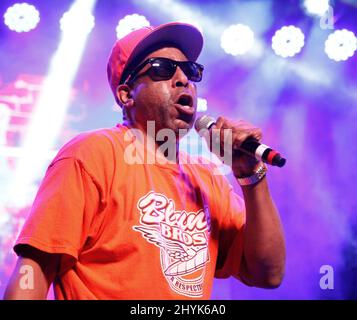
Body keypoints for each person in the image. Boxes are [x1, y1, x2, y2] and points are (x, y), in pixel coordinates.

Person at [4, 22, 285, 300]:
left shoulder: (208, 178)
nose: (183, 79)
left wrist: (251, 175)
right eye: (162, 69)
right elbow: (34, 271)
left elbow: (267, 273)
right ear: (126, 95)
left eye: (190, 71)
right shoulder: (92, 155)